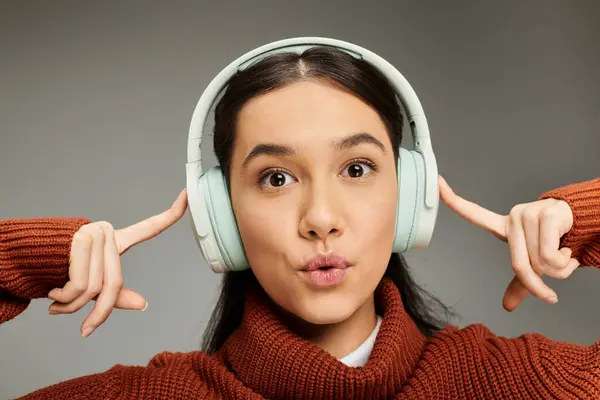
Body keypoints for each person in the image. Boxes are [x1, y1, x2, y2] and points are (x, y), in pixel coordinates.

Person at [1, 45, 599, 399]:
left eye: (358, 168)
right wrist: (26, 261)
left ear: (410, 191)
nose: (320, 219)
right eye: (276, 178)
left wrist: (582, 221)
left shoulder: (521, 383)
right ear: (221, 212)